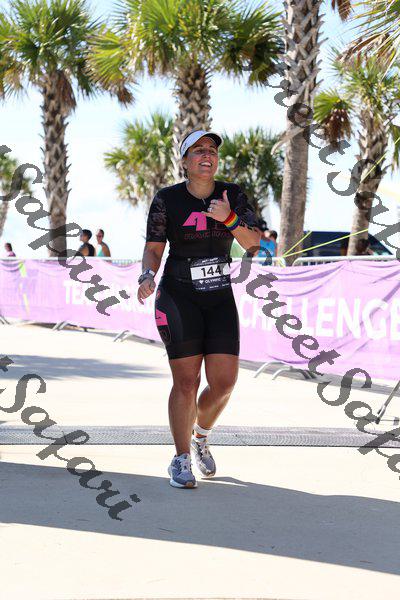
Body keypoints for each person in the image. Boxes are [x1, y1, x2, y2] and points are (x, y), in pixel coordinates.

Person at [137, 129, 260, 489]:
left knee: (224, 384)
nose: (207, 155)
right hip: (179, 296)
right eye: (198, 150)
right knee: (186, 382)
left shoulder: (232, 195)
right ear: (185, 160)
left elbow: (253, 243)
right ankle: (179, 459)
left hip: (219, 296)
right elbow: (154, 247)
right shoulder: (167, 199)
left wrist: (229, 217)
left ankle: (200, 435)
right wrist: (147, 275)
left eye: (212, 150)